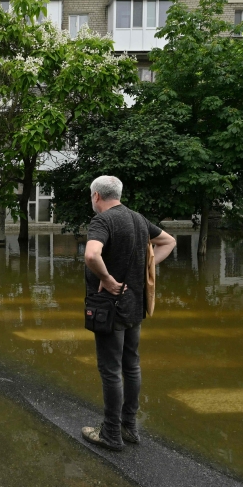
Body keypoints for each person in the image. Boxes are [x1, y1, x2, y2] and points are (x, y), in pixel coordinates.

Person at [81, 175, 176, 451]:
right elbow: (168, 242)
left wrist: (108, 279)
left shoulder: (103, 221)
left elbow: (91, 255)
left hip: (109, 306)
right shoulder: (138, 219)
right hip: (134, 304)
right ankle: (129, 427)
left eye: (91, 196)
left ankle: (111, 432)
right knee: (131, 365)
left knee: (110, 370)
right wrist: (146, 269)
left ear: (96, 196)